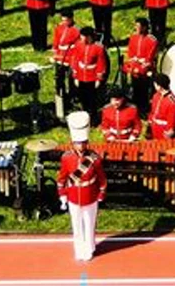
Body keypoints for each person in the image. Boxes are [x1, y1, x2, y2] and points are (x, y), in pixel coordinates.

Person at [57, 111, 106, 263]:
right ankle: (79, 249)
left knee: (89, 225)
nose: (81, 145)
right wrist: (63, 195)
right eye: (78, 142)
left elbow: (102, 179)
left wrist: (101, 194)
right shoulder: (67, 158)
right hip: (73, 195)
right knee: (76, 225)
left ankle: (89, 248)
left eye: (84, 142)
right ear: (73, 142)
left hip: (90, 195)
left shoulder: (94, 158)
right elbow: (62, 178)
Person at [69, 26, 107, 121]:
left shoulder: (98, 48)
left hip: (92, 76)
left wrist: (98, 79)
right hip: (81, 75)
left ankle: (93, 117)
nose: (81, 39)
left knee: (92, 98)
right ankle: (85, 114)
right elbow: (75, 60)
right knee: (82, 97)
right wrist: (75, 76)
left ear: (89, 37)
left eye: (83, 36)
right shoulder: (78, 45)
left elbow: (101, 64)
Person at [122, 18, 158, 116]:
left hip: (146, 68)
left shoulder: (152, 40)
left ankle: (143, 108)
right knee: (135, 87)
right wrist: (134, 66)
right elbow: (131, 54)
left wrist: (140, 66)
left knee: (144, 90)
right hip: (135, 66)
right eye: (136, 26)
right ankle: (136, 106)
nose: (136, 28)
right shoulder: (133, 38)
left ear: (145, 27)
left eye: (138, 26)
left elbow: (149, 58)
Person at [51, 10, 80, 119]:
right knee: (59, 78)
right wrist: (54, 52)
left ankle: (73, 97)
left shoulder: (76, 30)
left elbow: (77, 46)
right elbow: (56, 41)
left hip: (70, 56)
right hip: (60, 56)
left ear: (71, 19)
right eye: (63, 20)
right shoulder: (59, 28)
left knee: (71, 79)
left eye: (66, 20)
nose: (64, 23)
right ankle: (60, 96)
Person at [148, 74, 175, 139]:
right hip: (155, 128)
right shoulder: (156, 96)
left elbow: (172, 119)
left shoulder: (172, 102)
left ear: (159, 86)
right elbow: (153, 112)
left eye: (155, 84)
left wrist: (169, 132)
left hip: (164, 130)